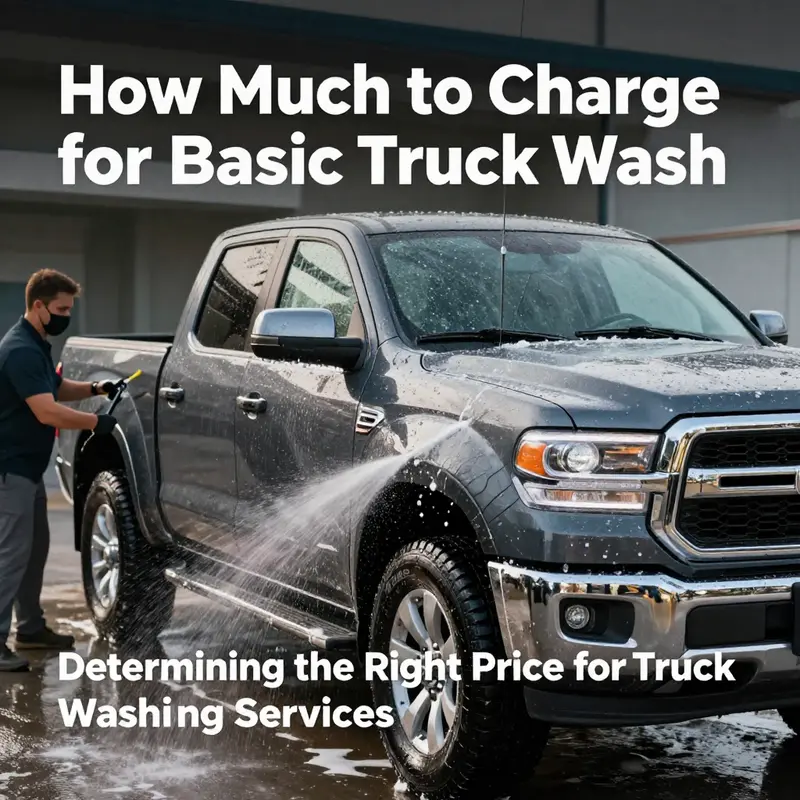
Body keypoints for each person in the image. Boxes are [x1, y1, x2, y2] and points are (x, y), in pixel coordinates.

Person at [0, 269, 118, 672]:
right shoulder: (19, 349)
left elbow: (52, 387)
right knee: (11, 556)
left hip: (27, 470)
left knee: (33, 554)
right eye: (61, 309)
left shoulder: (36, 344)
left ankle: (30, 629)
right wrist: (94, 423)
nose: (67, 315)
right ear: (39, 305)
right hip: (9, 470)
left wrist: (94, 390)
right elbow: (46, 409)